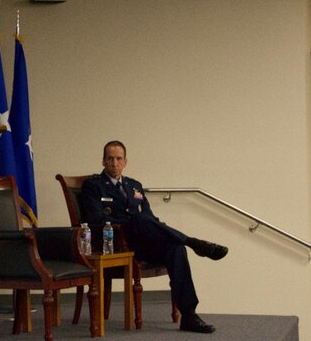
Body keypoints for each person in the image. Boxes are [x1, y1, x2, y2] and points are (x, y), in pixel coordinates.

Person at [80, 140, 228, 334]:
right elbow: (95, 220)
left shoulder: (134, 186)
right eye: (110, 159)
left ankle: (189, 315)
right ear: (103, 161)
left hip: (142, 242)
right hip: (116, 243)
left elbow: (151, 217)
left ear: (125, 161)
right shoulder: (93, 185)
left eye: (118, 159)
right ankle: (194, 242)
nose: (114, 163)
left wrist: (151, 226)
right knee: (140, 219)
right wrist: (131, 221)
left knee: (176, 249)